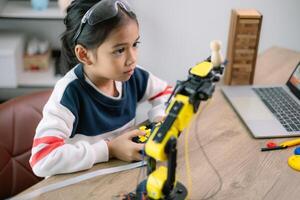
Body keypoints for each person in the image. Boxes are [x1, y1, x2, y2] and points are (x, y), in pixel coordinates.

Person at [29, 0, 172, 177]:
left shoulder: (132, 75)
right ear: (84, 54)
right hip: (82, 185)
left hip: (119, 177)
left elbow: (166, 93)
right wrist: (109, 149)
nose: (132, 59)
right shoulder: (69, 93)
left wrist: (159, 117)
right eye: (120, 50)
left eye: (135, 44)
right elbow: (42, 159)